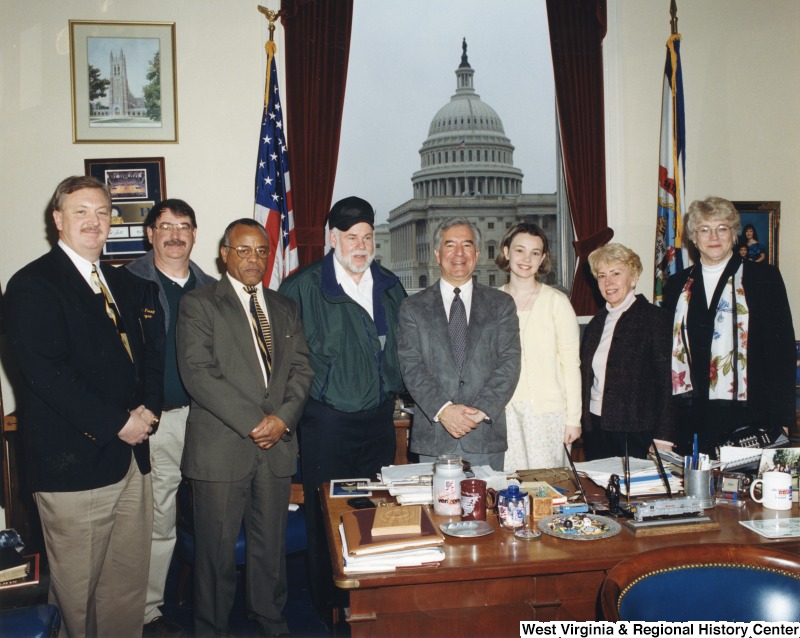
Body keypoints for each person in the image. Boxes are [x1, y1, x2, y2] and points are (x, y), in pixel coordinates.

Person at [5, 175, 163, 638]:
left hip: (134, 458)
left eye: (101, 212)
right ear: (58, 220)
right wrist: (119, 423)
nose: (93, 222)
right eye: (80, 212)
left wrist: (148, 411)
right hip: (75, 466)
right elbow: (47, 374)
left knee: (126, 587)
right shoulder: (33, 284)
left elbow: (150, 355)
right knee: (76, 595)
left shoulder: (122, 281)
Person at [176, 218, 313, 637]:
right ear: (224, 253)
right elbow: (198, 374)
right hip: (222, 447)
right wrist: (257, 422)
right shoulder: (199, 303)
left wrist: (283, 418)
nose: (254, 259)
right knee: (216, 554)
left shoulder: (285, 306)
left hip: (277, 447)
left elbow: (302, 370)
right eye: (243, 250)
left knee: (269, 547)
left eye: (261, 251)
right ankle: (212, 629)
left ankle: (270, 619)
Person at [278, 196, 406, 620]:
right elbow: (286, 360)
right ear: (333, 239)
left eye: (367, 237)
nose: (360, 245)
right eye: (351, 237)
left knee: (375, 510)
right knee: (327, 516)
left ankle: (369, 600)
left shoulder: (389, 284)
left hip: (378, 421)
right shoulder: (303, 287)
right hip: (326, 421)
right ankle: (330, 607)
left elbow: (403, 350)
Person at [126, 198, 215, 637]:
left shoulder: (213, 288)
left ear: (195, 234)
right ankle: (147, 612)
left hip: (206, 421)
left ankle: (211, 604)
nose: (175, 234)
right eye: (165, 226)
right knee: (159, 520)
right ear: (150, 234)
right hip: (157, 422)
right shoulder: (128, 284)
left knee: (213, 516)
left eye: (184, 226)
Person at [663, 196, 795, 456]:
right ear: (694, 237)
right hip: (691, 416)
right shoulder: (678, 284)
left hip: (750, 415)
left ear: (734, 234)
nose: (713, 236)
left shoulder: (763, 278)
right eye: (704, 229)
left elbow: (782, 354)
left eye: (722, 228)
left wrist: (783, 418)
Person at [397, 218, 521, 470]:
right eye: (450, 245)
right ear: (437, 253)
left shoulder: (501, 304)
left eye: (467, 245)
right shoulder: (413, 307)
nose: (459, 253)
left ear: (476, 254)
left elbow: (509, 363)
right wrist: (444, 411)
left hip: (484, 435)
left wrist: (479, 411)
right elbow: (411, 366)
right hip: (434, 437)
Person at [495, 223, 581, 471]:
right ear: (506, 251)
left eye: (535, 253)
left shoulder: (557, 302)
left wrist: (573, 419)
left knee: (546, 489)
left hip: (547, 414)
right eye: (520, 250)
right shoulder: (492, 302)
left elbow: (571, 364)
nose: (526, 259)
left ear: (542, 258)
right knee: (510, 489)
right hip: (505, 413)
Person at [580, 243, 676, 460]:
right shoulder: (596, 323)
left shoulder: (656, 319)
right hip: (597, 428)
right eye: (602, 275)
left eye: (616, 273)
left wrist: (664, 437)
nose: (608, 282)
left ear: (633, 278)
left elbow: (668, 383)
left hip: (638, 432)